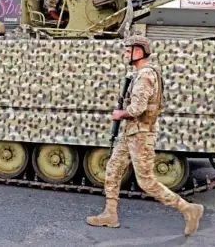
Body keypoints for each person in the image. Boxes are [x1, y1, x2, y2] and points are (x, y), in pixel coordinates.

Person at [87, 34, 204, 237]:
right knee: (113, 168)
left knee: (146, 181)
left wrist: (120, 113)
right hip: (130, 132)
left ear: (138, 52)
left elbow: (138, 108)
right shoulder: (140, 74)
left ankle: (188, 209)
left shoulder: (145, 75)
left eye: (128, 49)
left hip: (140, 133)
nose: (125, 53)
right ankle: (110, 214)